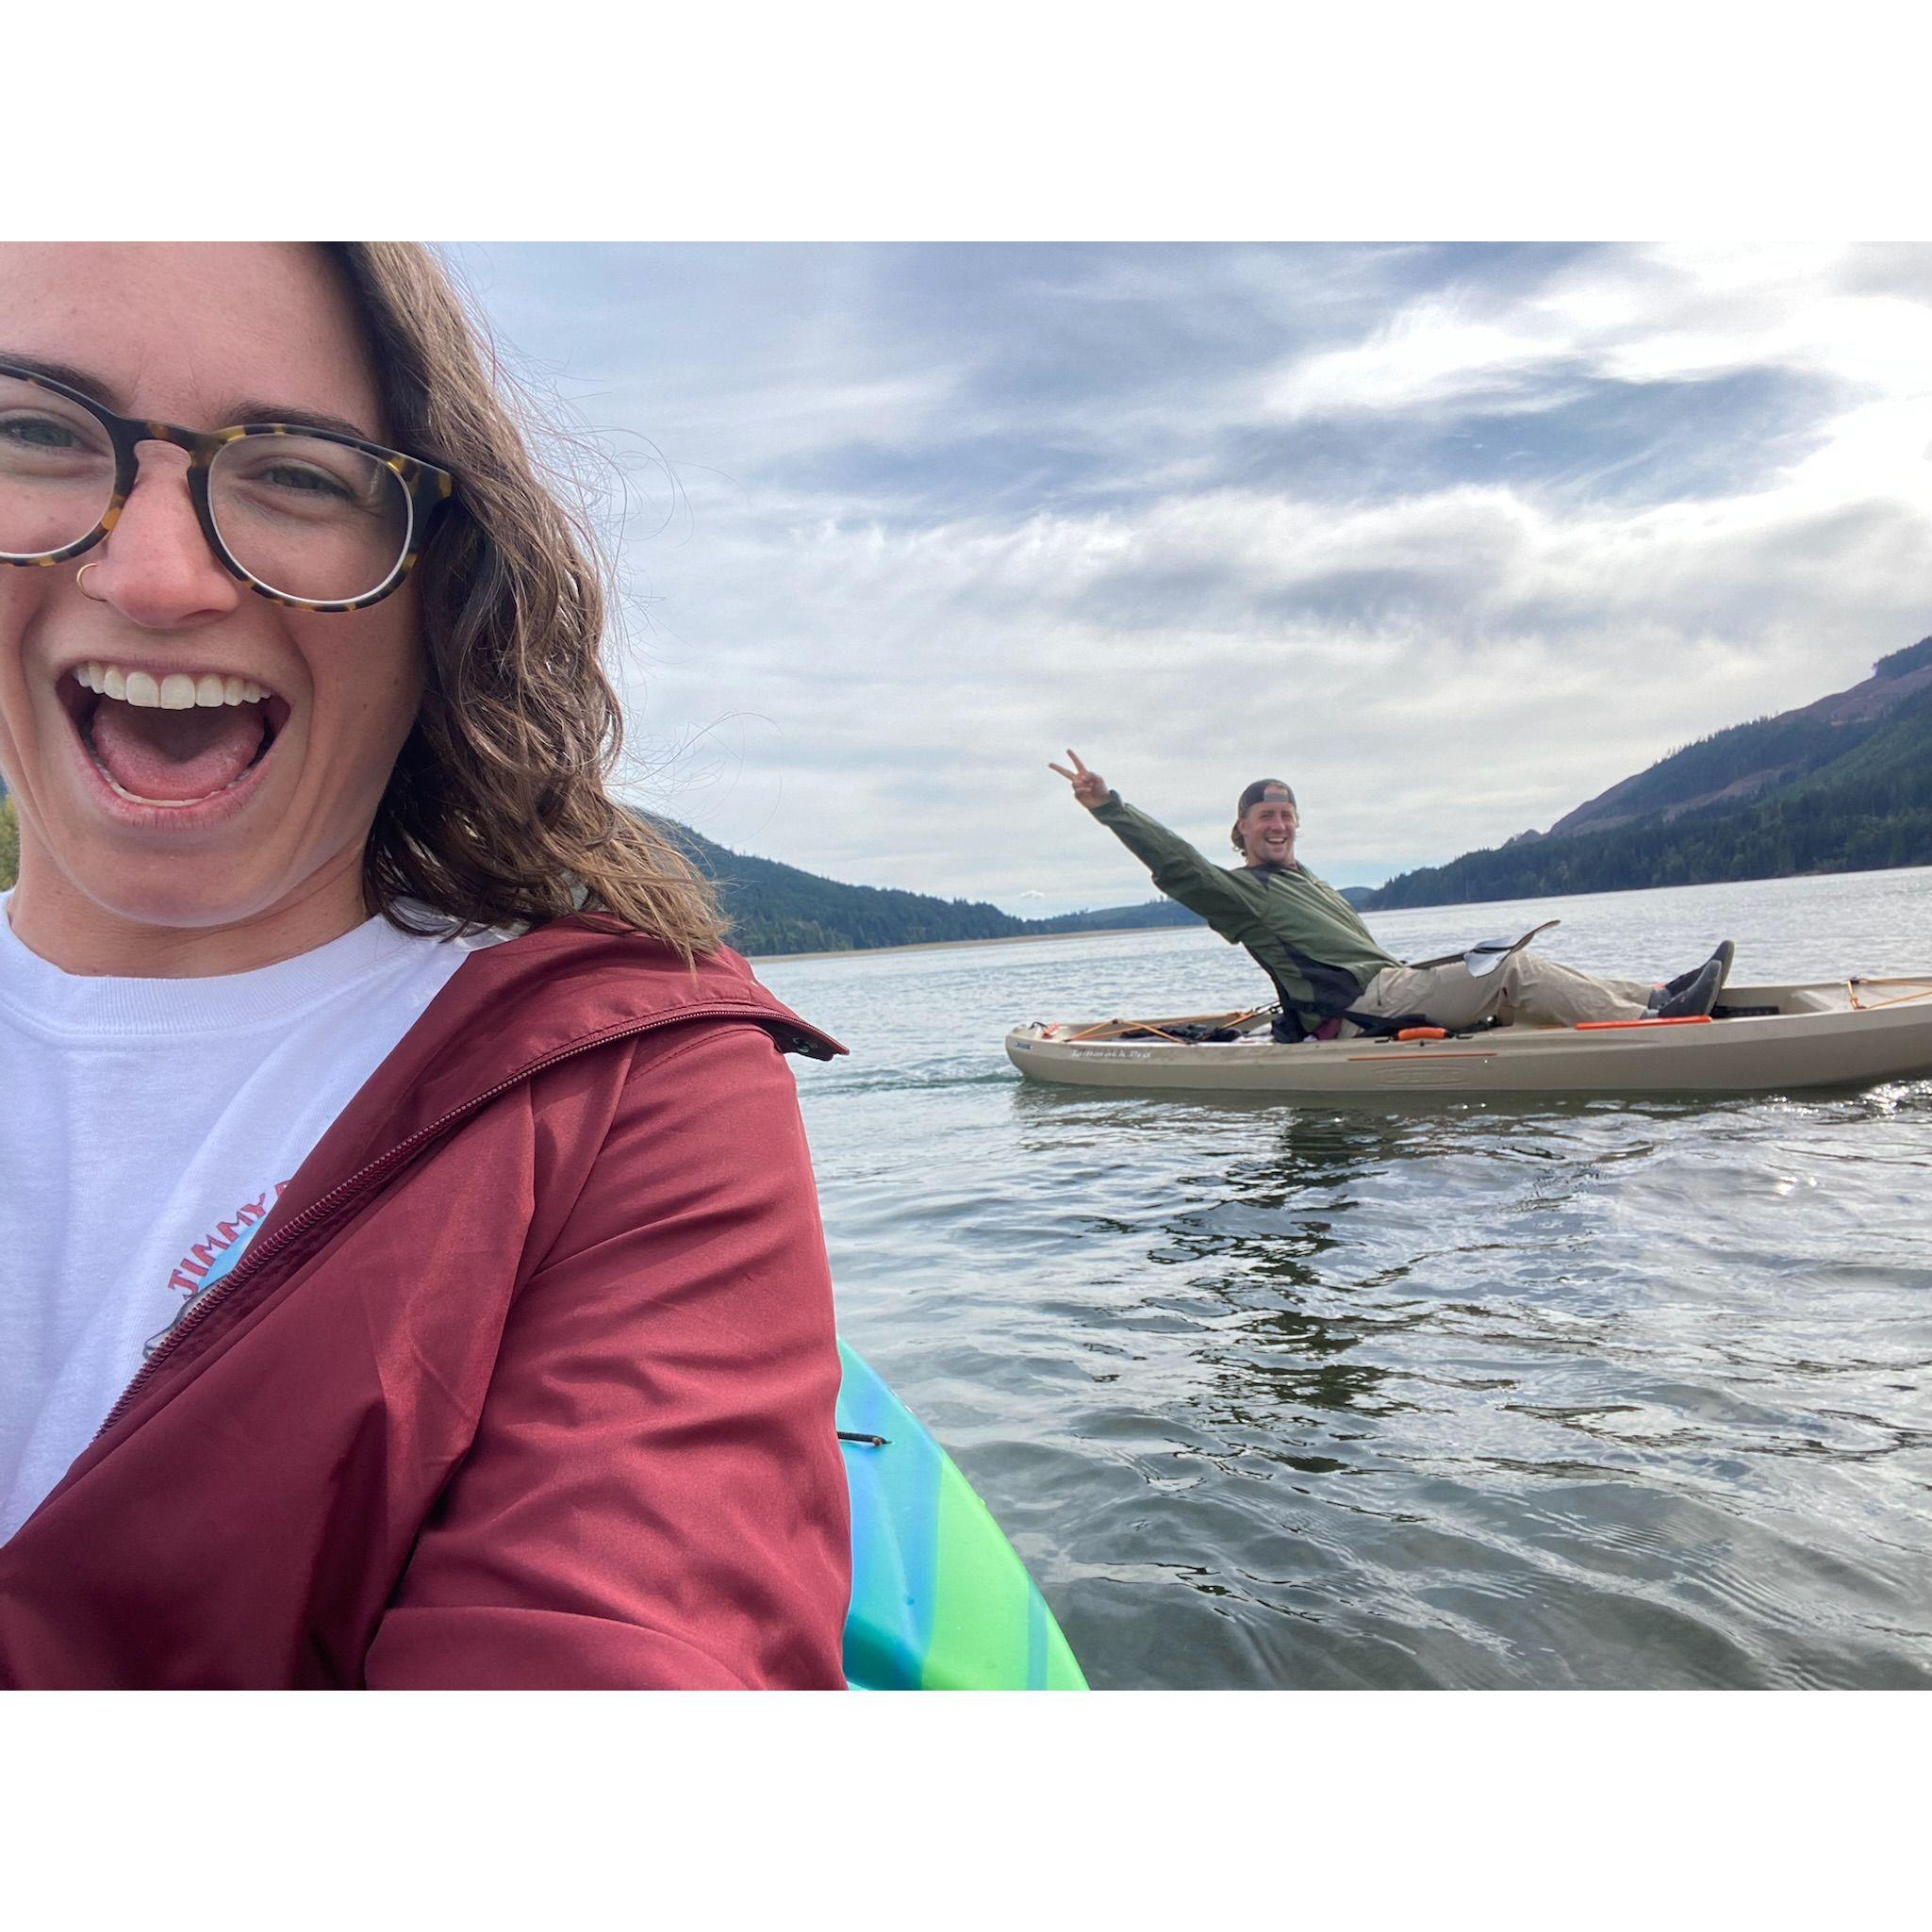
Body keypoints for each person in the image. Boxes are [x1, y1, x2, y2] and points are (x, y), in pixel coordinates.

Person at [0, 243, 851, 1688]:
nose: (154, 576)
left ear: (438, 592)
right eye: (33, 431)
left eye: (300, 474)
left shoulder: (623, 1091)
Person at [1049, 752, 1734, 1037]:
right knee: (1510, 967)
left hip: (1390, 982)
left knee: (1499, 957)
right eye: (1265, 818)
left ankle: (1651, 994)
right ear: (1242, 830)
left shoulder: (1305, 882)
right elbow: (1177, 863)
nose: (1279, 825)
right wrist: (1109, 805)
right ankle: (1653, 1027)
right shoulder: (1239, 893)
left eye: (1286, 816)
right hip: (1359, 1010)